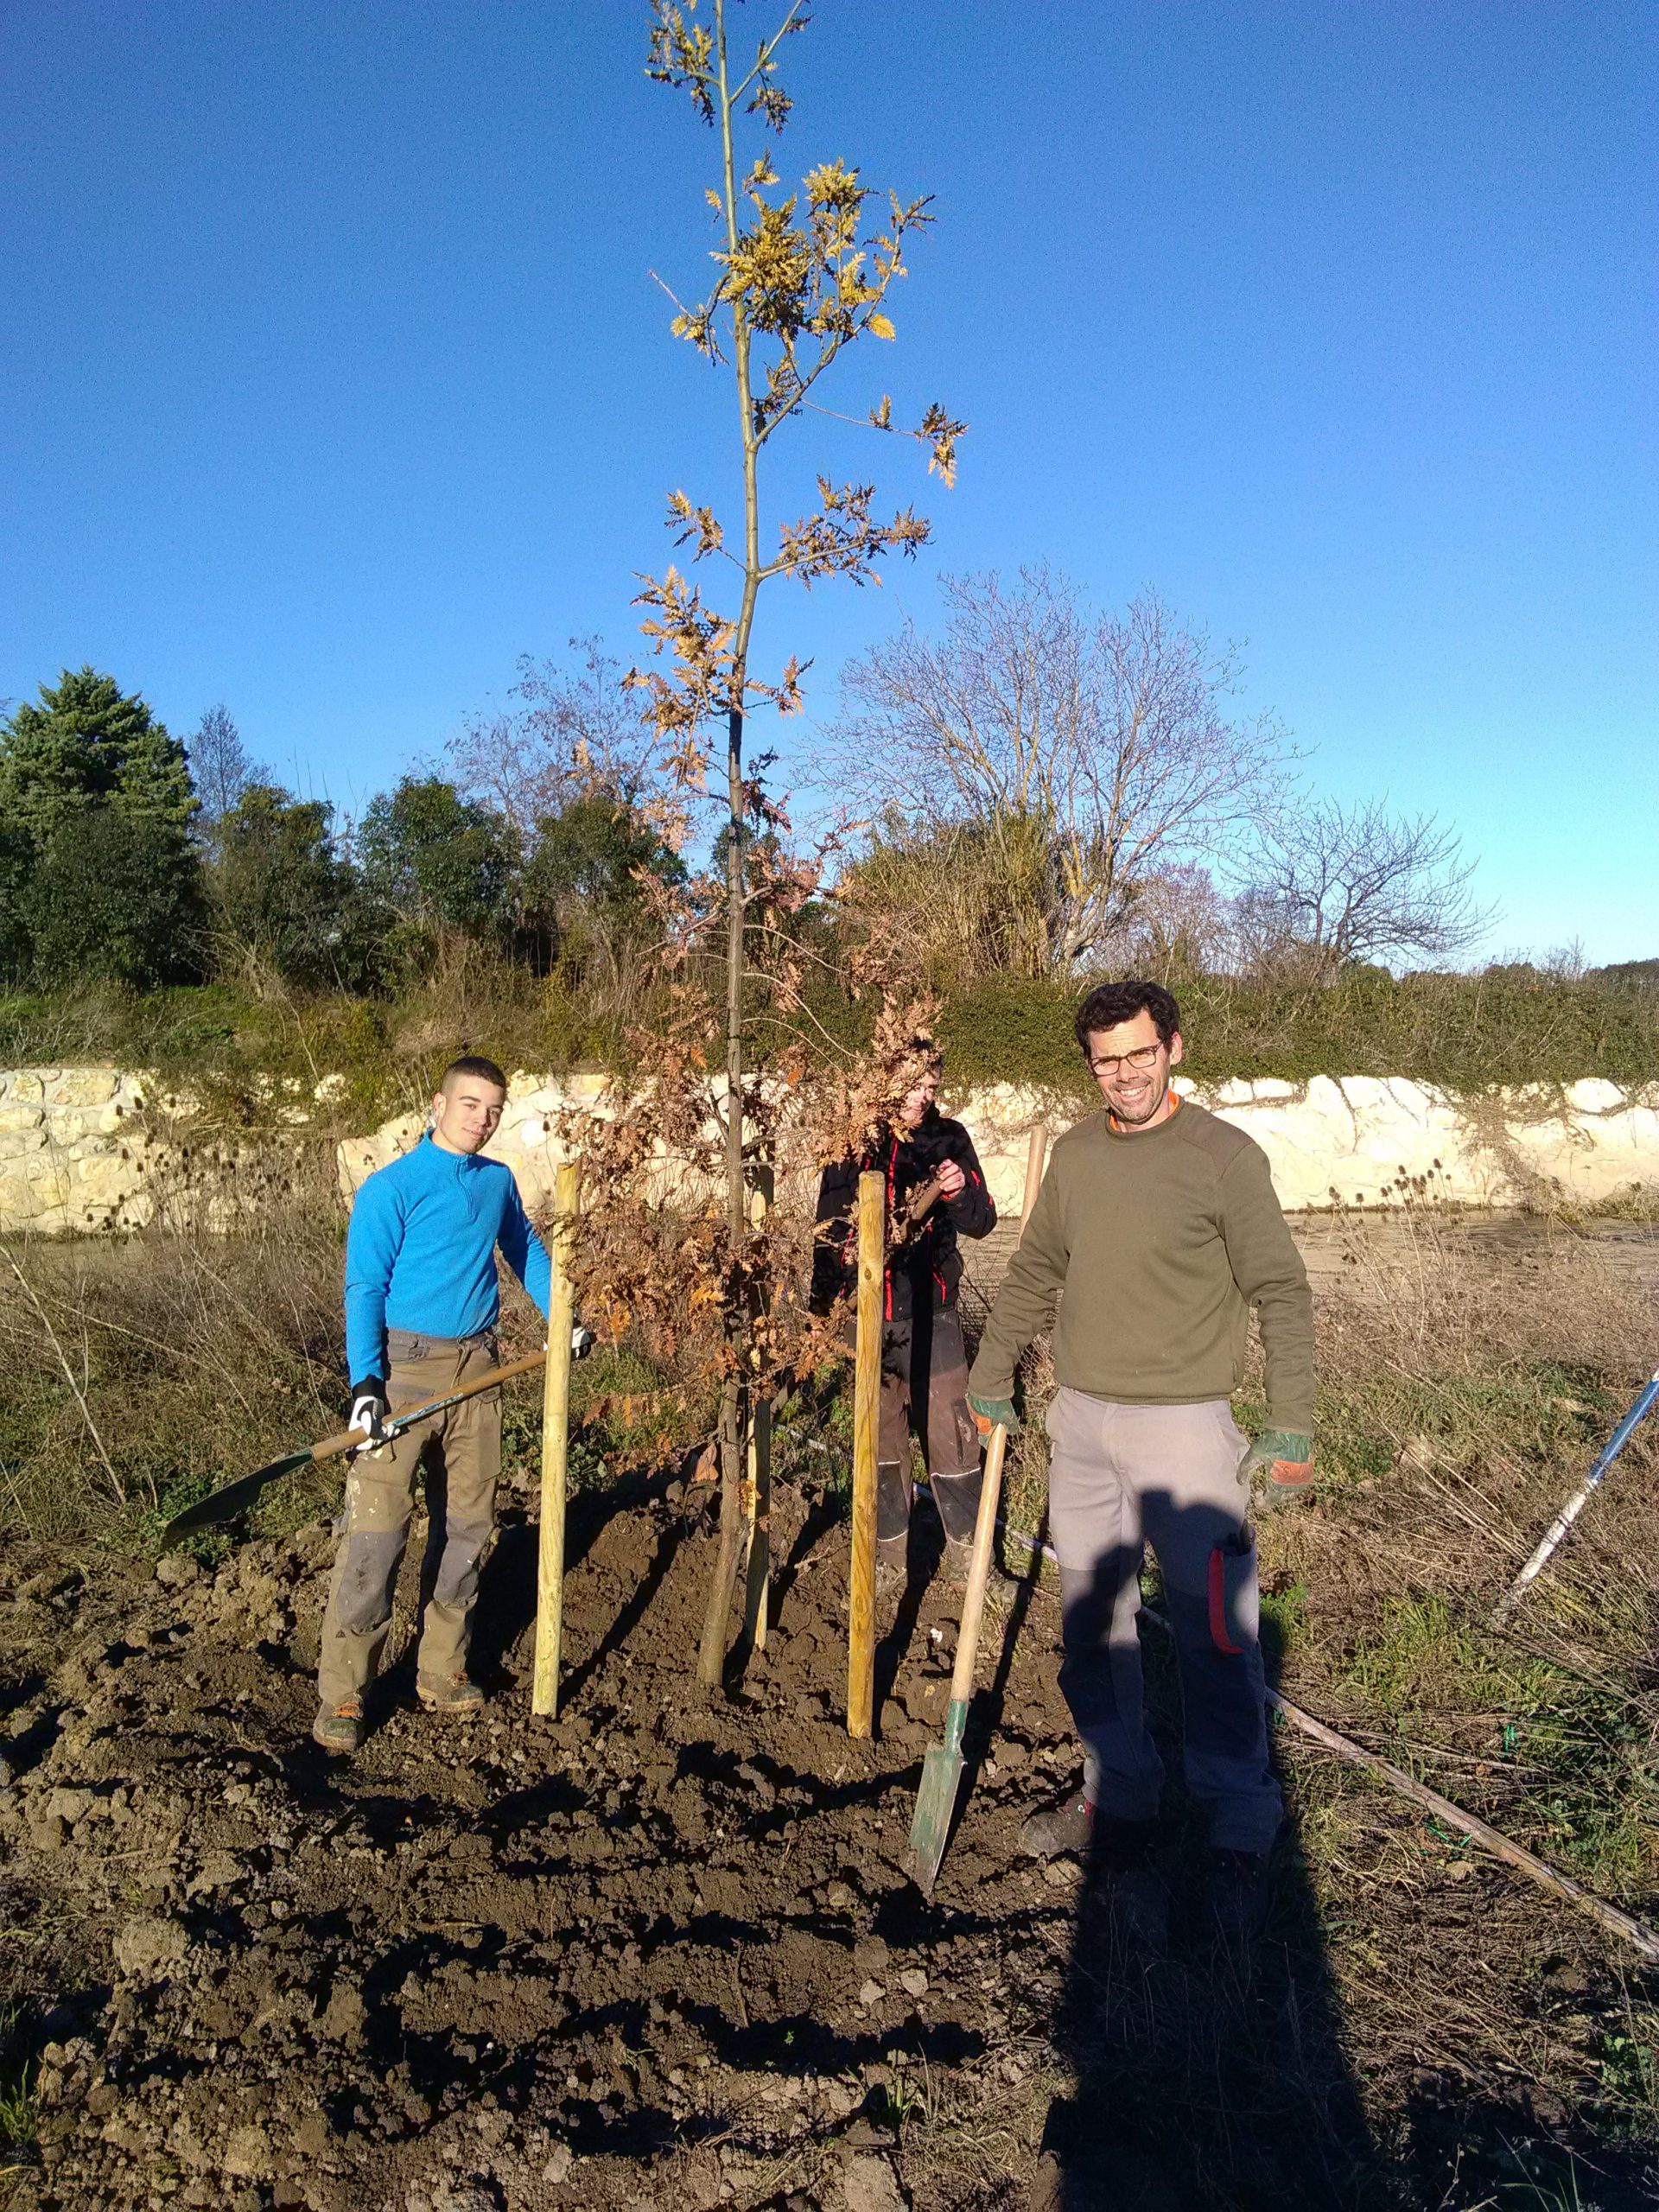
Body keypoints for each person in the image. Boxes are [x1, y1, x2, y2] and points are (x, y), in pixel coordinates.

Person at [966, 980, 1314, 1938]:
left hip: (1188, 1428)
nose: (1123, 1074)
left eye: (1139, 1053)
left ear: (1173, 1048)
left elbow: (1280, 1288)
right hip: (1082, 1423)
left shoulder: (1223, 1158)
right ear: (1091, 1063)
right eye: (1106, 1059)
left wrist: (1292, 1421)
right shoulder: (1076, 1155)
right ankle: (1120, 1790)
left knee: (1214, 1629)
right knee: (1093, 1619)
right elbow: (1036, 1269)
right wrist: (991, 1376)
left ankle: (1238, 1813)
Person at [313, 1054, 586, 1753]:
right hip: (404, 1372)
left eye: (494, 1109)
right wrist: (366, 1385)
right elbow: (364, 1290)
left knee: (468, 1526)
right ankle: (344, 1692)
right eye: (470, 1105)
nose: (483, 1119)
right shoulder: (390, 1189)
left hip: (479, 1370)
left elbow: (524, 1253)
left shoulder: (496, 1183)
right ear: (438, 1105)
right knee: (377, 1534)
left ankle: (440, 1667)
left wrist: (565, 1318)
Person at [811, 1036, 999, 1596]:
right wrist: (823, 1314)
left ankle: (973, 1563)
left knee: (954, 1435)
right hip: (871, 1319)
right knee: (882, 1440)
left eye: (931, 1087)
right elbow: (827, 1236)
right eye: (912, 1084)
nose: (923, 1096)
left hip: (935, 1315)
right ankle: (890, 1560)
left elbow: (984, 1220)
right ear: (884, 1077)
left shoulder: (950, 1138)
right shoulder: (853, 1146)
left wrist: (960, 1191)